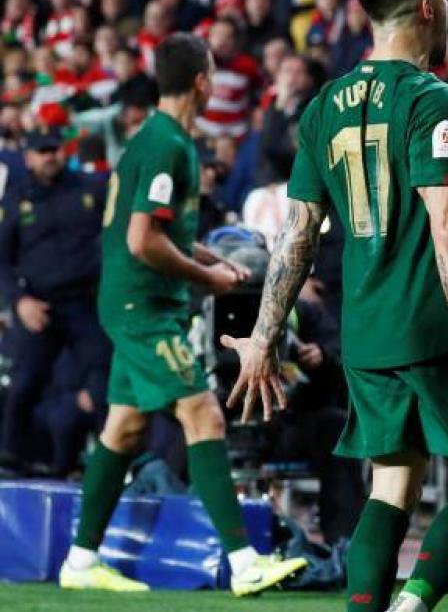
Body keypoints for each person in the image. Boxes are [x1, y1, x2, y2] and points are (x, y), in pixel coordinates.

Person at [224, 0, 448, 612]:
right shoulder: (430, 98)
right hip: (434, 325)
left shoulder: (323, 105)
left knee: (393, 484)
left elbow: (297, 234)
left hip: (365, 333)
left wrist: (264, 336)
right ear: (427, 7)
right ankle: (413, 604)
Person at [57, 33, 307, 595]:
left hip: (128, 298)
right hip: (144, 305)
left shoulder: (151, 139)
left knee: (123, 428)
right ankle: (246, 564)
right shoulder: (170, 145)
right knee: (204, 415)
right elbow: (145, 240)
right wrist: (209, 279)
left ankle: (79, 560)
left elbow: (153, 229)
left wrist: (209, 256)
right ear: (202, 82)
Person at [0, 127, 108, 473]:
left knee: (106, 379)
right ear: (28, 156)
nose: (49, 156)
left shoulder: (90, 188)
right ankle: (9, 459)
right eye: (41, 150)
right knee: (23, 384)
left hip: (86, 302)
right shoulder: (16, 199)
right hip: (39, 305)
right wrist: (18, 301)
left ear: (64, 151)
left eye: (54, 149)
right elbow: (1, 259)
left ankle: (114, 461)